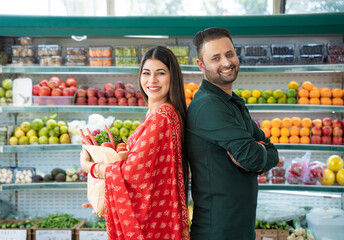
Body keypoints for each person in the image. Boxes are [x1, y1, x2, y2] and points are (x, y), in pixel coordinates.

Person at [80, 46, 190, 240]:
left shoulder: (162, 116)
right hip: (160, 223)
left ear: (172, 77)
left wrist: (90, 167)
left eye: (160, 73)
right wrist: (108, 196)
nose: (152, 80)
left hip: (151, 229)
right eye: (146, 73)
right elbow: (147, 175)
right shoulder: (160, 114)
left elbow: (132, 173)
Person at [186, 27, 279, 240]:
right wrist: (259, 151)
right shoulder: (207, 106)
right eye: (215, 58)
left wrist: (261, 151)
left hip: (239, 227)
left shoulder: (232, 101)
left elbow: (272, 152)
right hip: (217, 231)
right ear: (201, 65)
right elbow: (253, 157)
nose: (226, 63)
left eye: (229, 54)